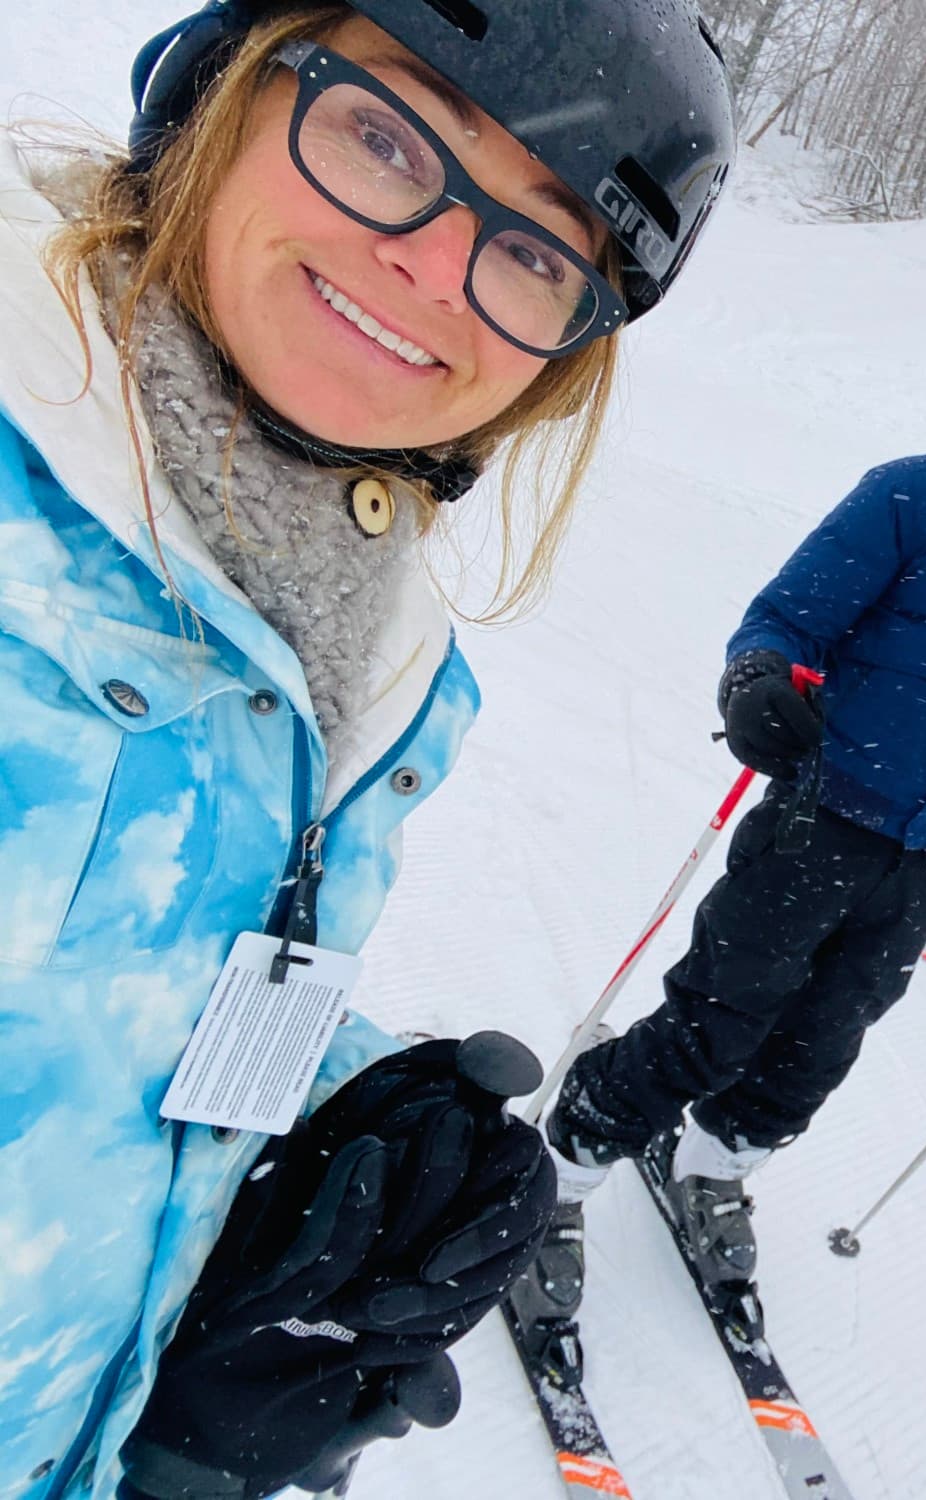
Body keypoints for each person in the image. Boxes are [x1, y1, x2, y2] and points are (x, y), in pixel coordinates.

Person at [0, 2, 732, 1496]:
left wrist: (331, 1116)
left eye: (536, 251)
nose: (434, 265)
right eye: (389, 138)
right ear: (226, 91)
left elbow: (104, 978)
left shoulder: (386, 667)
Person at [517, 315, 926, 1365]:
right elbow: (782, 622)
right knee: (715, 1022)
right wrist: (754, 685)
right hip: (816, 814)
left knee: (816, 1047)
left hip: (922, 861)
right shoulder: (916, 498)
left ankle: (714, 1165)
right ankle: (558, 1171)